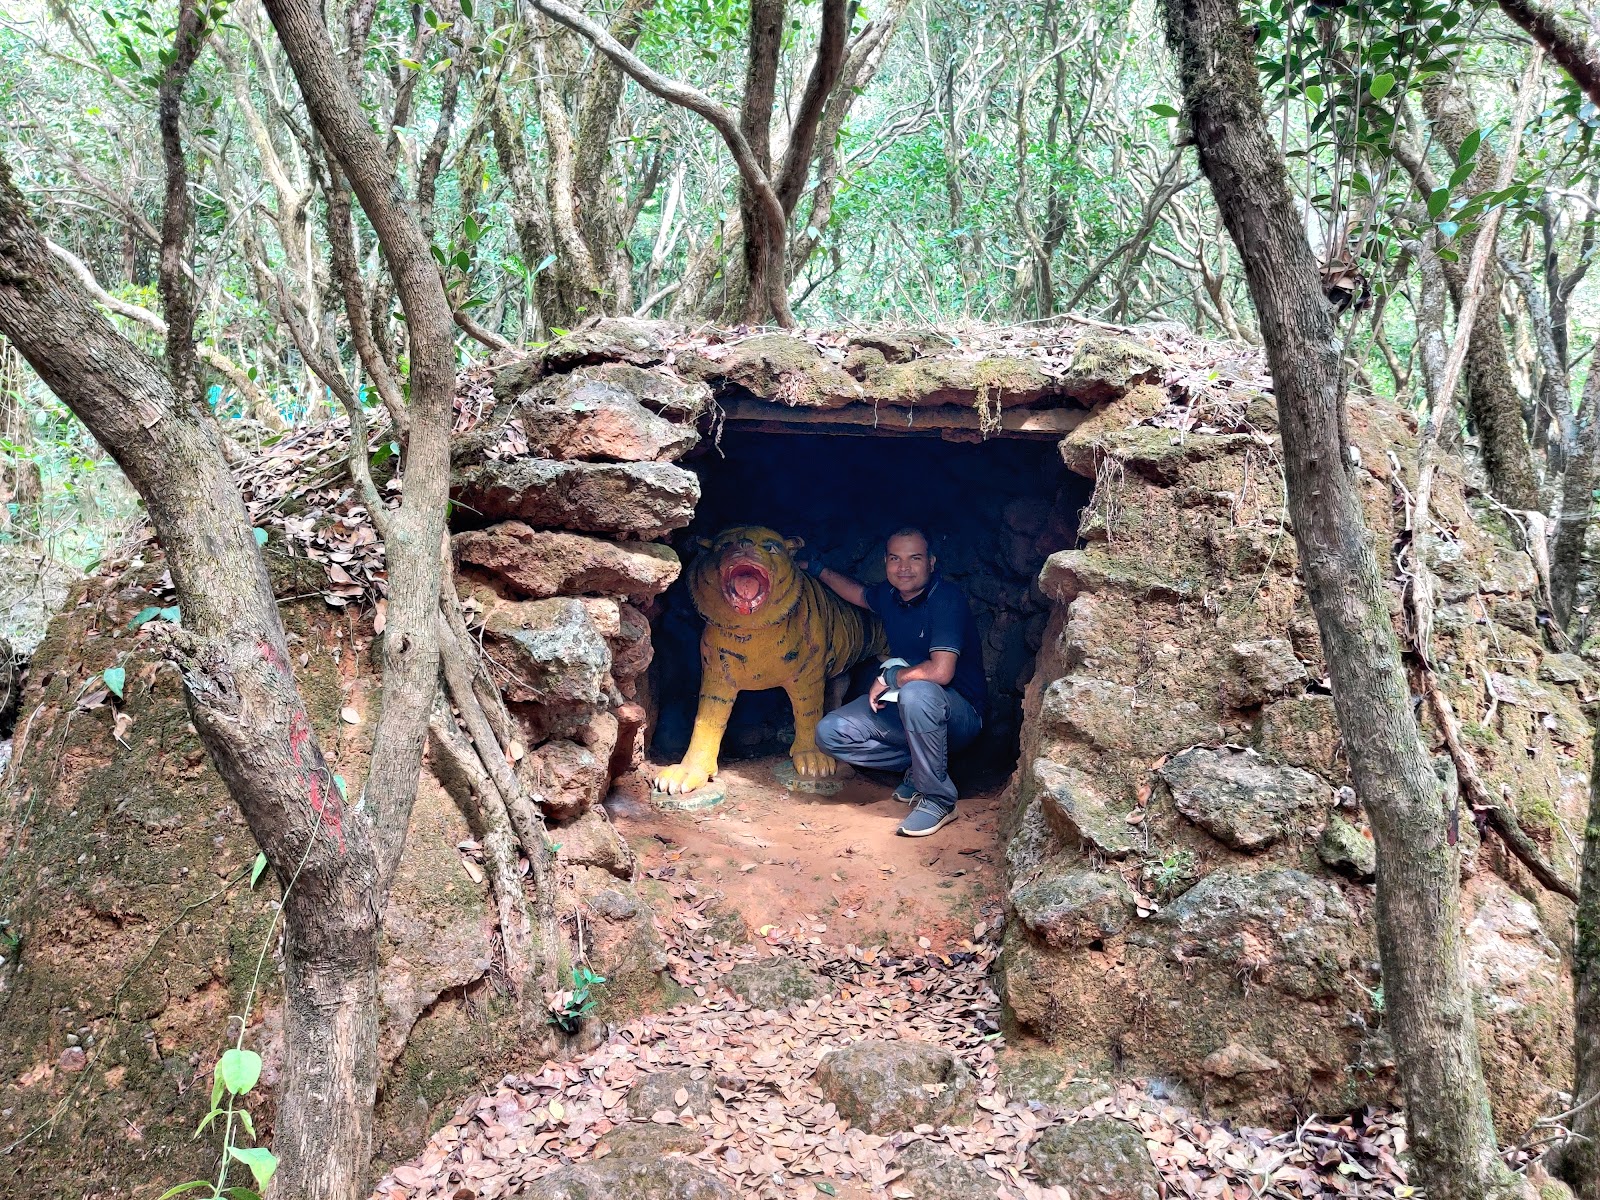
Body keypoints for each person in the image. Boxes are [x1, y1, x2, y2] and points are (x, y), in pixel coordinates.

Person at [806, 527, 985, 836]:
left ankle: (938, 799)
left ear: (931, 562)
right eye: (895, 559)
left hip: (959, 712)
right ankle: (921, 767)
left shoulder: (945, 599)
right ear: (886, 563)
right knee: (830, 732)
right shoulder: (890, 596)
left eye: (914, 558)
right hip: (907, 706)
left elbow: (941, 672)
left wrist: (890, 677)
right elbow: (858, 594)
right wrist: (816, 568)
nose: (904, 568)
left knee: (916, 693)